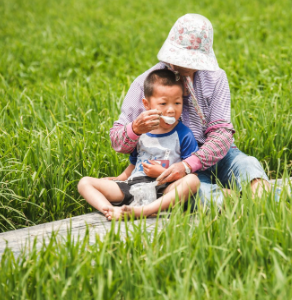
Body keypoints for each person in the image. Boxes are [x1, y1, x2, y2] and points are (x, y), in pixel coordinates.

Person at [110, 14, 270, 207]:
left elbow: (222, 135)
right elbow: (117, 141)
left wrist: (188, 165)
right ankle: (245, 203)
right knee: (198, 193)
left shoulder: (215, 78)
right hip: (173, 162)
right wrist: (135, 128)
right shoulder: (146, 84)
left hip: (216, 157)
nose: (185, 65)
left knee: (249, 165)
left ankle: (269, 205)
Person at [78, 69, 200, 219]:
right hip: (133, 186)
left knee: (193, 181)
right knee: (84, 183)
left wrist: (162, 174)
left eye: (177, 103)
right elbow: (134, 164)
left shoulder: (184, 134)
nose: (171, 110)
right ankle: (109, 210)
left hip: (163, 189)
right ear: (147, 105)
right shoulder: (141, 131)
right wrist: (119, 178)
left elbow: (189, 171)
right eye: (163, 103)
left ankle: (146, 210)